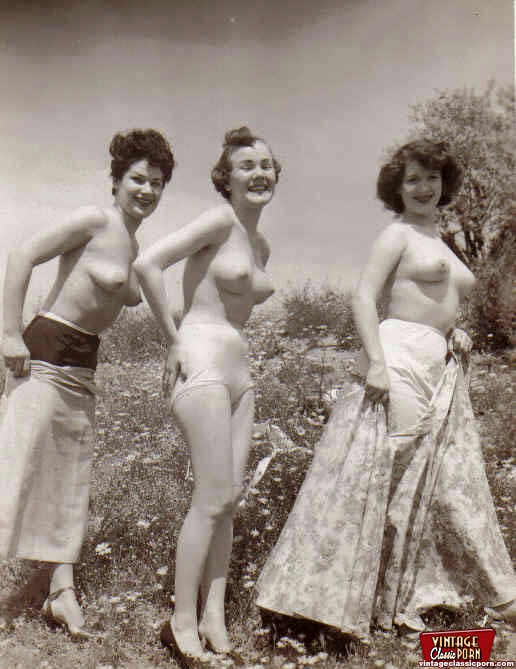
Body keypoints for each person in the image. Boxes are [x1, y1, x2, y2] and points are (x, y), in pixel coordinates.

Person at [256, 139, 516, 641]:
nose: (423, 188)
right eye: (412, 179)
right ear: (396, 188)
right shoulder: (397, 234)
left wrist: (454, 330)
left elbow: (437, 300)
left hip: (436, 362)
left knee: (429, 481)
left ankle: (406, 607)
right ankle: (366, 606)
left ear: (445, 183)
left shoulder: (438, 238)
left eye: (432, 178)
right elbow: (363, 296)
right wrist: (376, 361)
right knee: (392, 479)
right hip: (399, 358)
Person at [0, 128, 175, 638]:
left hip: (82, 367)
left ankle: (61, 595)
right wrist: (9, 332)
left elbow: (139, 291)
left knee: (69, 480)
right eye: (138, 179)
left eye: (157, 182)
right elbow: (22, 254)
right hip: (44, 354)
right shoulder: (94, 221)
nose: (147, 190)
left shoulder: (136, 247)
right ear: (116, 181)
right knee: (15, 469)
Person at [134, 126, 279, 666]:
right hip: (200, 361)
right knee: (212, 497)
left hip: (240, 372)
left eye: (266, 165)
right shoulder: (219, 221)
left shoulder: (260, 245)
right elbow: (148, 264)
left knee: (229, 500)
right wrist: (172, 340)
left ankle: (213, 617)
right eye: (246, 166)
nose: (258, 174)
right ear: (227, 178)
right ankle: (180, 622)